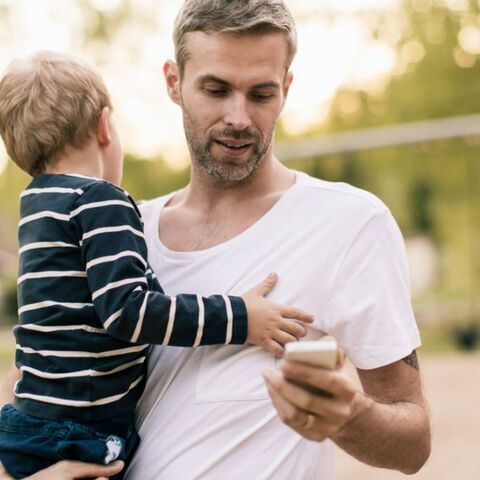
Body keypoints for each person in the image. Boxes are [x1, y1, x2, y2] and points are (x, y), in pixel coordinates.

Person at [1, 0, 432, 478]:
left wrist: (349, 417)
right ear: (174, 82)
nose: (239, 117)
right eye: (216, 88)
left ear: (286, 89)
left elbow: (412, 444)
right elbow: (39, 376)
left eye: (262, 94)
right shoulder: (115, 232)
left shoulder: (351, 222)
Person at [0, 50, 313, 479]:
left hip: (29, 421)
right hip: (82, 433)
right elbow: (129, 311)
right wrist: (241, 317)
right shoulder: (100, 201)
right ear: (104, 126)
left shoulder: (36, 206)